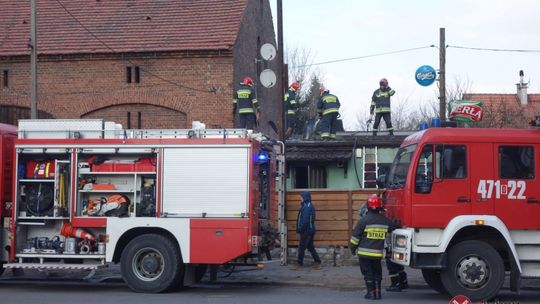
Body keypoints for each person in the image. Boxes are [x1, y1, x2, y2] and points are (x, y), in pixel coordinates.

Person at [350, 194, 398, 300]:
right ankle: (378, 293)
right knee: (377, 273)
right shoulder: (385, 221)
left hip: (364, 254)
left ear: (367, 206)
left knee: (368, 273)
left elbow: (355, 238)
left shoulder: (364, 220)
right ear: (380, 206)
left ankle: (371, 294)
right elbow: (394, 227)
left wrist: (352, 249)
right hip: (377, 254)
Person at [359, 201, 409, 292]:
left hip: (388, 244)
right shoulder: (383, 217)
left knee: (392, 265)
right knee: (396, 264)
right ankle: (403, 282)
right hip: (392, 243)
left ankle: (396, 284)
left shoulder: (375, 219)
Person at [291, 191, 322, 270]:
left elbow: (305, 221)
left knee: (301, 247)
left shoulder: (307, 207)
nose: (300, 199)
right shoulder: (307, 206)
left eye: (301, 197)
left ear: (305, 198)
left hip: (306, 231)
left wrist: (300, 229)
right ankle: (317, 262)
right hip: (309, 230)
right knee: (310, 246)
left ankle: (299, 263)